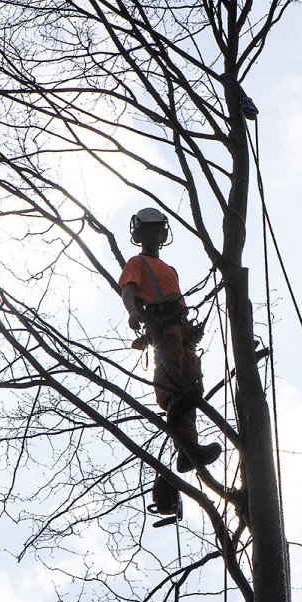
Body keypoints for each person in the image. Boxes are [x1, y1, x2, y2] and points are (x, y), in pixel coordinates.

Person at [119, 208, 221, 491]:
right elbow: (128, 290)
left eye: (156, 230)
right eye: (147, 231)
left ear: (161, 234)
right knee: (172, 385)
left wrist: (192, 331)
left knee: (191, 388)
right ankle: (187, 445)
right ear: (140, 234)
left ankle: (190, 449)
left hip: (181, 328)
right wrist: (132, 313)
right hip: (161, 327)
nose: (152, 235)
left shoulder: (171, 270)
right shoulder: (136, 262)